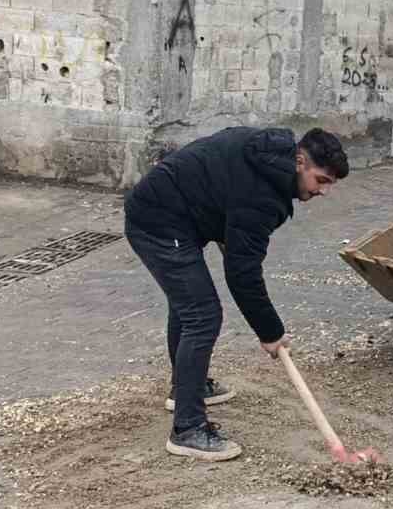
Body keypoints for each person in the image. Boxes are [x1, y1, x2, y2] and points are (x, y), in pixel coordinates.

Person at [124, 126, 349, 462]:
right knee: (202, 314)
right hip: (157, 221)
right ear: (299, 160)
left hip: (174, 211)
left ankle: (189, 388)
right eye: (321, 180)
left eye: (331, 183)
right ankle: (187, 429)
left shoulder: (269, 151)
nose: (325, 191)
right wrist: (270, 332)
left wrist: (228, 231)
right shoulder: (263, 197)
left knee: (189, 304)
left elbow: (224, 183)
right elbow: (242, 275)